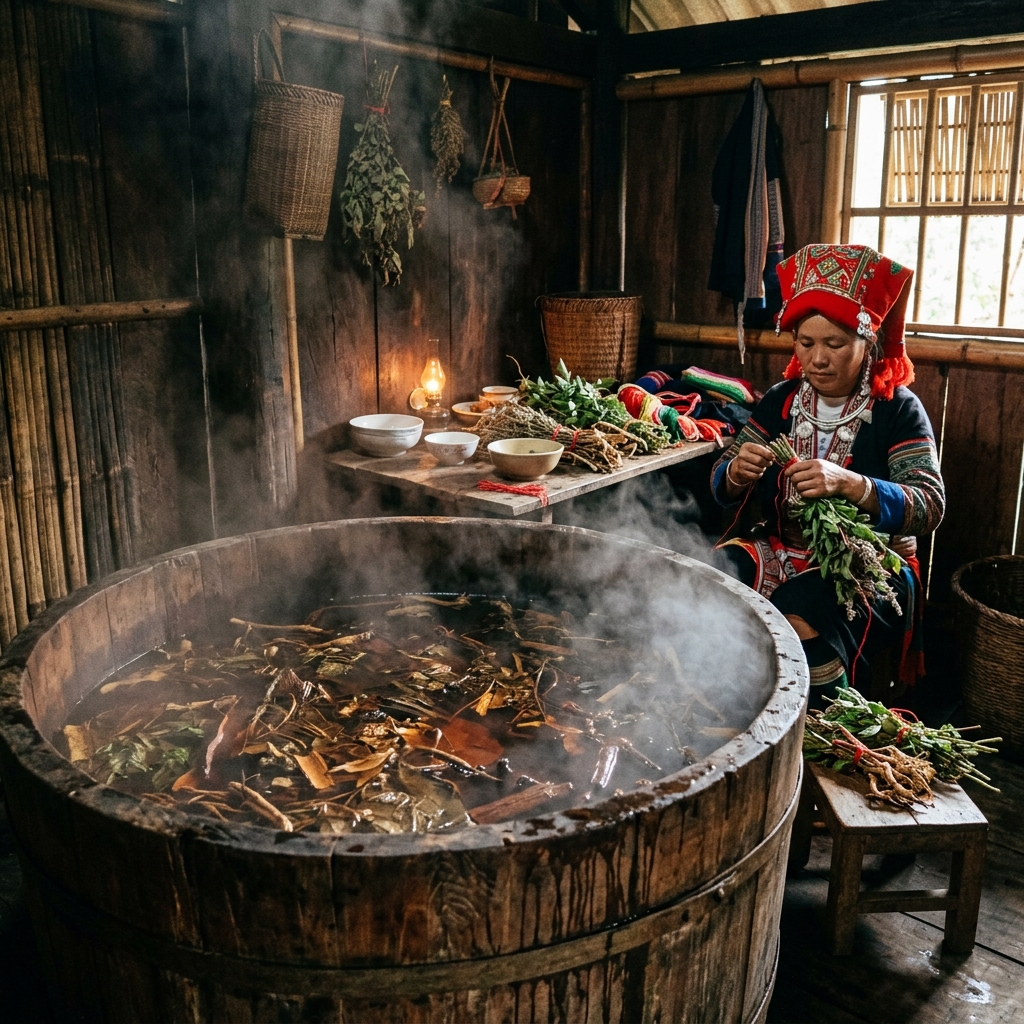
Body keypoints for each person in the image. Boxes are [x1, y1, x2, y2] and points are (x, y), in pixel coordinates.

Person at [712, 244, 945, 707]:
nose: (817, 359)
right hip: (779, 548)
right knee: (710, 583)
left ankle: (819, 726)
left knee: (800, 612)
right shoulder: (781, 400)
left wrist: (851, 484)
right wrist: (736, 472)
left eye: (834, 345)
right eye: (805, 343)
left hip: (872, 564)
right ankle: (723, 703)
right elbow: (722, 480)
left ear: (867, 342)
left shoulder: (896, 409)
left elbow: (929, 505)